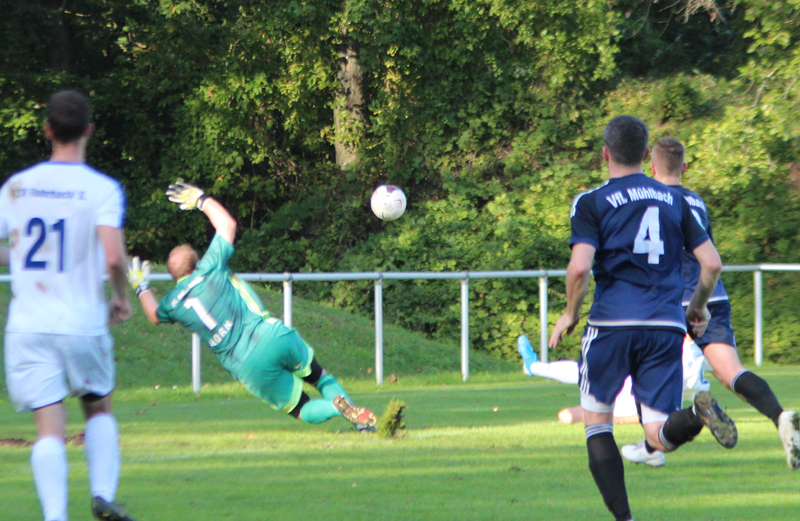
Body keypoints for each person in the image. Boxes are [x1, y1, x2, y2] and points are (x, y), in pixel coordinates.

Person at [548, 115, 736, 521]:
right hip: (666, 327)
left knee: (598, 424)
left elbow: (579, 268)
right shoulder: (678, 201)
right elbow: (711, 264)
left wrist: (568, 314)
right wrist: (697, 308)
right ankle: (695, 414)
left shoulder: (591, 201)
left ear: (605, 153)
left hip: (611, 325)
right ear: (647, 154)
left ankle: (625, 519)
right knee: (657, 434)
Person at [127, 179, 378, 431]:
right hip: (271, 335)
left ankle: (335, 408)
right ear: (196, 261)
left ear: (172, 276)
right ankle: (358, 421)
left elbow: (153, 315)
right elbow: (227, 225)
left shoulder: (173, 302)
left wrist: (141, 287)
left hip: (246, 364)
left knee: (301, 409)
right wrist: (201, 200)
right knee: (320, 378)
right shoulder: (210, 267)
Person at [621, 137, 800, 469]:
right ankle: (780, 416)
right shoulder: (697, 202)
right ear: (684, 168)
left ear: (652, 166)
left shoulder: (649, 201)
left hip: (669, 301)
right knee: (732, 372)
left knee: (649, 372)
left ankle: (653, 447)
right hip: (711, 295)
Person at [0, 91, 136, 521]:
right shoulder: (101, 189)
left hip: (28, 324)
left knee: (48, 426)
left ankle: (55, 516)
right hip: (81, 320)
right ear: (89, 131)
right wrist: (119, 296)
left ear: (47, 130)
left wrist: (18, 256)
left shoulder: (17, 186)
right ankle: (101, 494)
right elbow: (113, 257)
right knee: (97, 405)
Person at [518, 334, 709, 426]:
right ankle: (534, 367)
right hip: (633, 386)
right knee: (587, 372)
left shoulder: (682, 363)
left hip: (632, 396)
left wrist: (617, 419)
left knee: (568, 413)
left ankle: (534, 367)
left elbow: (661, 411)